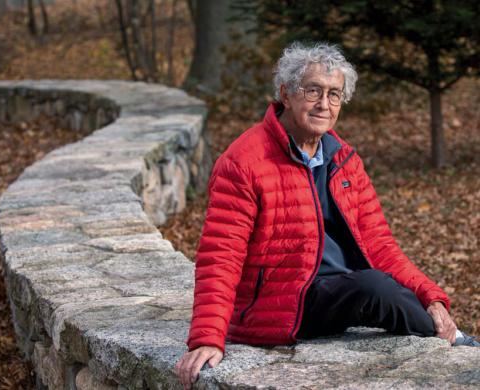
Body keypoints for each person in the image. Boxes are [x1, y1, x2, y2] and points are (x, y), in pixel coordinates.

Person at [174, 42, 479, 389]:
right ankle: (454, 343)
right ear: (286, 94)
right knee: (373, 287)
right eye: (313, 90)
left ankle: (448, 335)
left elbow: (380, 246)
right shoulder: (243, 162)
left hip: (338, 290)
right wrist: (208, 337)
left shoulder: (343, 158)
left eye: (334, 94)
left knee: (381, 283)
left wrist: (432, 298)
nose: (324, 104)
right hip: (281, 305)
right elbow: (221, 255)